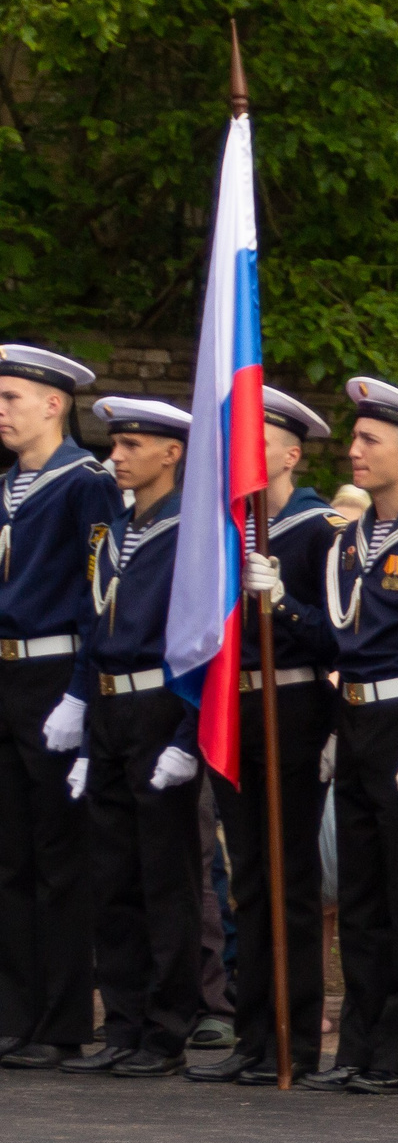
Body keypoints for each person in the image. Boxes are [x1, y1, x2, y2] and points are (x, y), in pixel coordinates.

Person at [305, 377, 398, 1094]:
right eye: (356, 436)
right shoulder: (353, 537)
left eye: (369, 440)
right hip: (356, 718)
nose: (353, 450)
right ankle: (359, 1045)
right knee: (362, 891)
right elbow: (343, 639)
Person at [188, 389, 345, 1085]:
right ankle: (253, 1036)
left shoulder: (319, 529)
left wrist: (282, 598)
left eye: (261, 441)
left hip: (294, 703)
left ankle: (294, 1039)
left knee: (291, 877)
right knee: (249, 879)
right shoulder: (228, 529)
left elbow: (335, 636)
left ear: (290, 453)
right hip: (236, 705)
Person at [59, 397, 201, 1078]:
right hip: (110, 709)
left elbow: (204, 644)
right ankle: (122, 1023)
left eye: (132, 444)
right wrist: (83, 727)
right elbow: (94, 626)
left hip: (158, 703)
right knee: (111, 875)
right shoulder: (114, 527)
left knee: (163, 874)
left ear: (171, 453)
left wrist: (189, 731)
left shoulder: (189, 532)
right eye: (115, 444)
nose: (116, 455)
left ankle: (168, 1026)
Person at [0, 344, 115, 1072]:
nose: (1, 410)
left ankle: (63, 1015)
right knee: (9, 856)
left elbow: (97, 593)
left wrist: (79, 689)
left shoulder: (86, 483)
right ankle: (15, 1011)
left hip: (51, 676)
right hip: (4, 673)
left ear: (53, 403)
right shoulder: (5, 486)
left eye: (11, 397)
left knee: (58, 855)